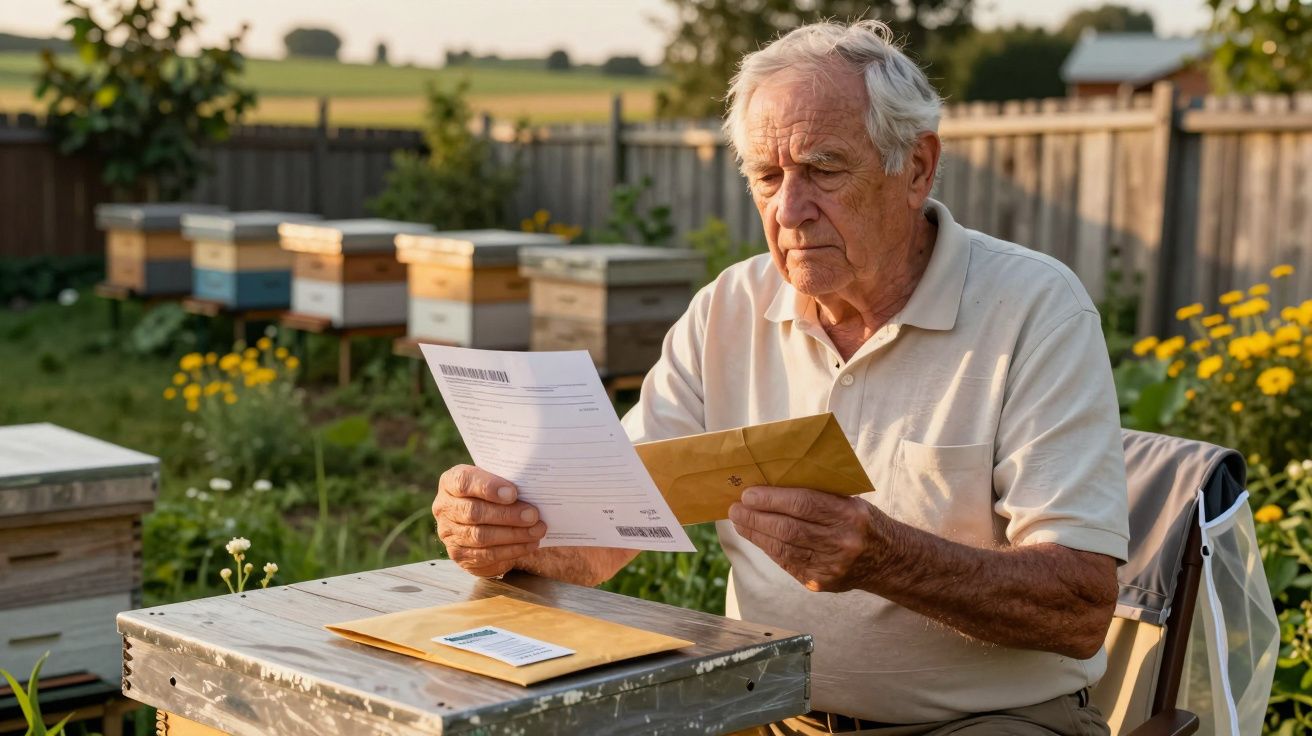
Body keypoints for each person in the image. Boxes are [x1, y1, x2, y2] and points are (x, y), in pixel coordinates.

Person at [432, 19, 1128, 736]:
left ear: (916, 167)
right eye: (768, 177)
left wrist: (886, 559)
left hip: (989, 722)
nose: (789, 212)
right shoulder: (729, 309)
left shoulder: (1036, 310)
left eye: (824, 169)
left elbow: (1078, 608)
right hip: (765, 713)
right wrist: (509, 535)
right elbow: (608, 527)